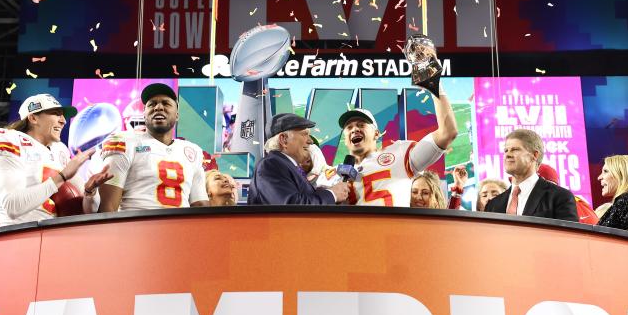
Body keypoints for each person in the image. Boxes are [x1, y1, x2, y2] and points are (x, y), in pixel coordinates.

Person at [0, 94, 109, 226]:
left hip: (51, 237)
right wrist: (62, 176)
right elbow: (12, 207)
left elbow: (90, 211)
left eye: (63, 116)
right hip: (14, 236)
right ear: (33, 118)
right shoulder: (10, 140)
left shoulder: (60, 150)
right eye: (55, 114)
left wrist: (90, 191)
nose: (63, 121)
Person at [319, 91, 457, 206]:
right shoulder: (334, 175)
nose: (354, 129)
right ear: (345, 140)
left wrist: (435, 88)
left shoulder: (400, 153)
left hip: (393, 234)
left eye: (361, 125)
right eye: (349, 127)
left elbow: (447, 133)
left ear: (376, 134)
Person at [98, 83, 209, 211]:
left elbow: (200, 206)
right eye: (152, 104)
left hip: (179, 227)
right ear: (144, 114)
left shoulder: (192, 151)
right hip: (137, 227)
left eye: (166, 103)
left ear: (177, 115)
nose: (158, 107)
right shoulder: (125, 142)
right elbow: (108, 207)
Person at [248, 113, 350, 205]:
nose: (310, 141)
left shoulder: (286, 166)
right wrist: (332, 194)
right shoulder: (271, 165)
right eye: (304, 134)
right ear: (284, 139)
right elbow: (292, 207)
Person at [484, 129, 579, 221]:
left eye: (515, 149)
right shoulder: (493, 205)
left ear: (535, 155)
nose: (507, 155)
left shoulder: (560, 197)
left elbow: (568, 237)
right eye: (506, 150)